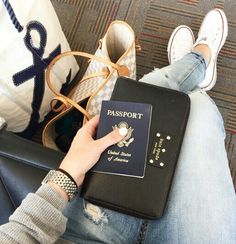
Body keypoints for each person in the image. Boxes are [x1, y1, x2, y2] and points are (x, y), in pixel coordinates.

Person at [0, 8, 235, 244]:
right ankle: (198, 62)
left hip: (80, 229)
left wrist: (68, 175)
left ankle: (194, 65)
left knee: (141, 98)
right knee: (195, 107)